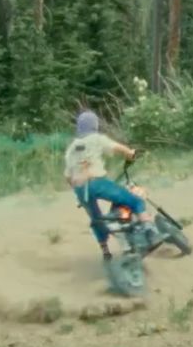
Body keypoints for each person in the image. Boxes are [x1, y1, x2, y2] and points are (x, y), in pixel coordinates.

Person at [65, 110, 154, 261]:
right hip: (96, 183)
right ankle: (149, 229)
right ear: (95, 125)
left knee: (96, 219)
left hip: (80, 189)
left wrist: (78, 193)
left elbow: (67, 176)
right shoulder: (96, 139)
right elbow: (115, 147)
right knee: (134, 200)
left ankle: (105, 251)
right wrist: (130, 153)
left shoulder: (72, 148)